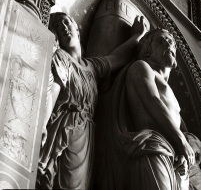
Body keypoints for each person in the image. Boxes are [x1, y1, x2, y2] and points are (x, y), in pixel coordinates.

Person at [36, 12, 147, 189]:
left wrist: (137, 36)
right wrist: (41, 125)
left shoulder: (92, 67)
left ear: (77, 30)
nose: (63, 27)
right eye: (57, 26)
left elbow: (117, 57)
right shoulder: (61, 58)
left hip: (87, 136)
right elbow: (52, 92)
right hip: (67, 130)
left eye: (66, 22)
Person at [95, 28, 201, 190]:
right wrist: (180, 141)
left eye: (171, 42)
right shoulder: (142, 67)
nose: (168, 44)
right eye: (160, 41)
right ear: (147, 52)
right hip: (153, 149)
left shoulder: (170, 92)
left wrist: (182, 150)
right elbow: (152, 102)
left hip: (174, 155)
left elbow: (182, 130)